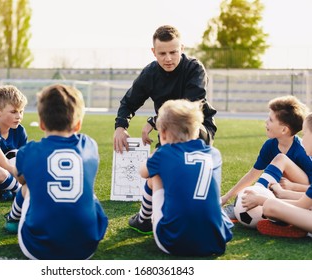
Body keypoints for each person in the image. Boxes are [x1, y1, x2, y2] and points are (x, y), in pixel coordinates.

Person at [4, 84, 108, 260]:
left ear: (42, 123)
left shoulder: (28, 151)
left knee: (28, 186)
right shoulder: (90, 145)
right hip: (86, 248)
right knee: (86, 187)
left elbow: (22, 180)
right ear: (78, 124)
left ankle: (13, 219)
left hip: (37, 248)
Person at [130, 99, 233, 256]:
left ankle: (143, 220)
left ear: (162, 133)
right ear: (196, 129)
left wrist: (155, 155)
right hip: (216, 240)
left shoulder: (163, 154)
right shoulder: (214, 154)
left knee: (154, 176)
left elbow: (142, 172)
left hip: (173, 242)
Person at [114, 25, 217, 154]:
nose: (168, 58)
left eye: (173, 52)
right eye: (162, 53)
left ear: (182, 49)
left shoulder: (194, 69)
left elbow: (188, 108)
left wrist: (153, 122)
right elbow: (128, 103)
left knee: (183, 135)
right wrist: (120, 127)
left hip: (197, 129)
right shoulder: (150, 73)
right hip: (166, 131)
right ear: (154, 52)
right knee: (157, 166)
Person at [221, 95, 311, 218]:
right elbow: (253, 174)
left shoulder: (302, 150)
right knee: (274, 171)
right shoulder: (270, 145)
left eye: (271, 120)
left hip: (301, 194)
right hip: (282, 191)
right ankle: (248, 203)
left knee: (281, 159)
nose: (266, 122)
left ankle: (248, 202)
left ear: (284, 130)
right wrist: (226, 197)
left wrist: (292, 186)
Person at [241, 112, 312, 238]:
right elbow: (306, 200)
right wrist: (284, 193)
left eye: (305, 134)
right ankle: (296, 226)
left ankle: (296, 227)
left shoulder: (300, 151)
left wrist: (261, 200)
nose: (302, 139)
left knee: (270, 206)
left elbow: (301, 205)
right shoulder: (270, 145)